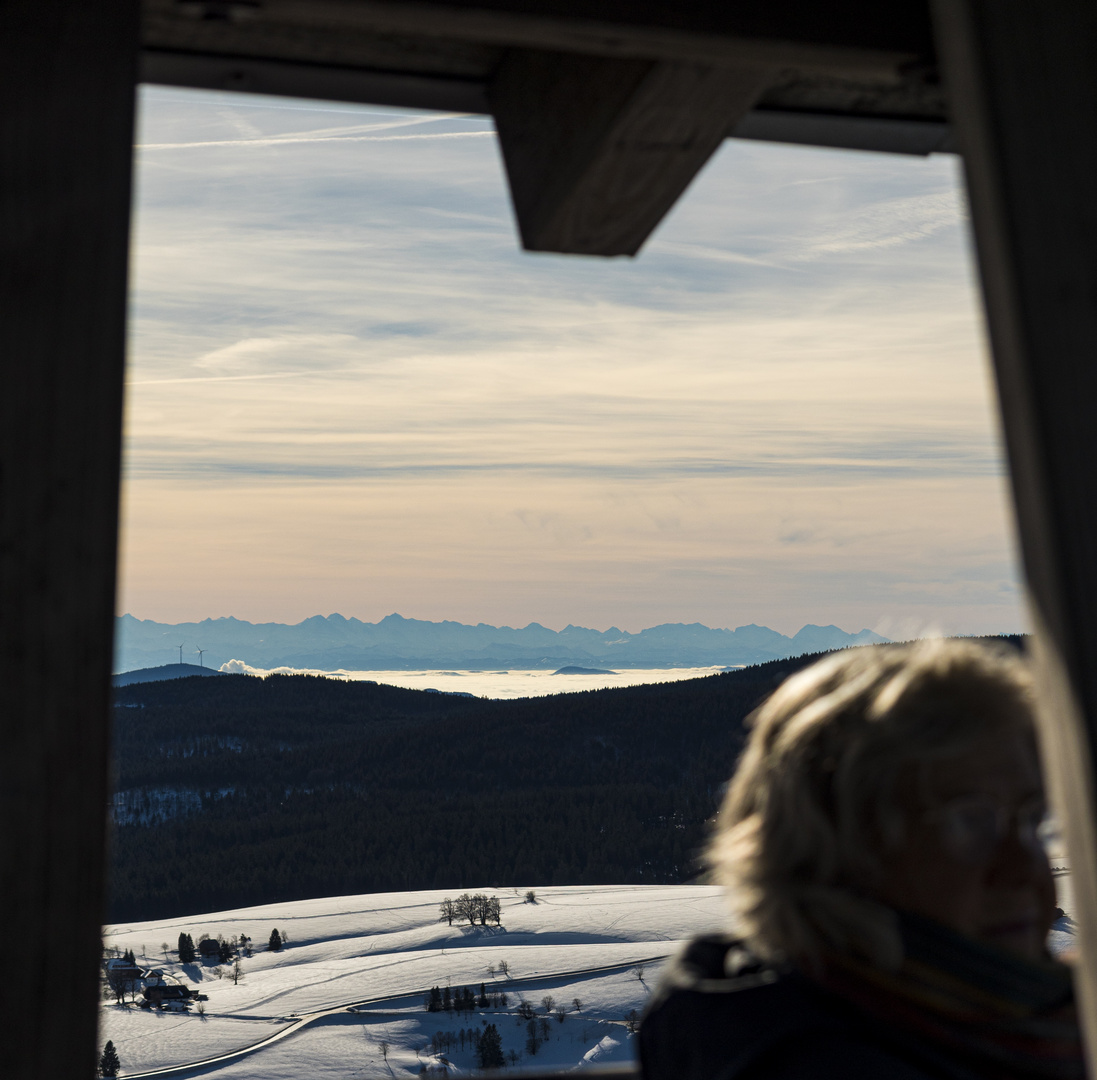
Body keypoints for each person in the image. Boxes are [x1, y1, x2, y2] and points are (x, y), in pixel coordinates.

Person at [640, 640, 1084, 1080]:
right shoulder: (822, 1065)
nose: (1024, 870)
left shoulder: (1014, 1022)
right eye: (970, 822)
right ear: (832, 852)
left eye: (1033, 819)